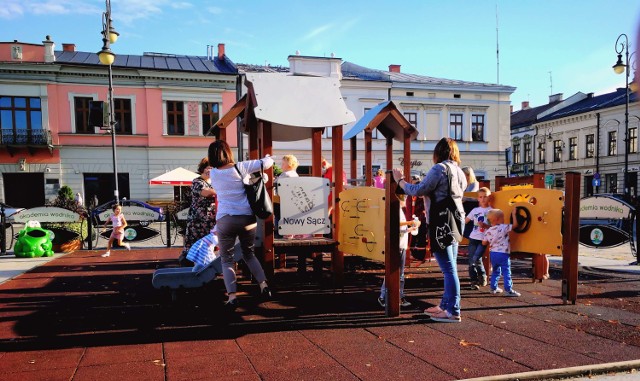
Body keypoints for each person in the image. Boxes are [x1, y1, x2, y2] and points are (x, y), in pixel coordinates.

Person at [393, 137, 466, 323]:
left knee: (449, 269)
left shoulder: (439, 169)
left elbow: (418, 190)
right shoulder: (460, 171)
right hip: (456, 222)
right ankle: (445, 305)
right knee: (451, 267)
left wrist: (400, 181)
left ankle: (453, 311)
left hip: (440, 222)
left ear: (438, 152)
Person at [208, 140, 274, 309]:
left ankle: (232, 297)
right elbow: (267, 163)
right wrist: (267, 157)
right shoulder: (240, 167)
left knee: (227, 260)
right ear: (228, 152)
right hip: (246, 218)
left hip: (225, 220)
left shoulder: (213, 173)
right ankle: (263, 286)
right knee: (249, 254)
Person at [377, 193, 420, 309]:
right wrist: (410, 223)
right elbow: (393, 224)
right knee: (394, 272)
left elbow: (400, 229)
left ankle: (398, 296)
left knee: (399, 273)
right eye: (404, 197)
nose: (405, 199)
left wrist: (411, 228)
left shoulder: (399, 210)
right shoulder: (394, 209)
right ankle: (386, 296)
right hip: (396, 245)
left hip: (400, 245)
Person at [178, 157, 217, 267]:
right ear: (203, 169)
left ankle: (205, 266)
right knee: (195, 243)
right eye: (209, 168)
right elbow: (206, 193)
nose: (211, 171)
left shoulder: (213, 182)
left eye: (213, 168)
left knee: (207, 244)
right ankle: (188, 265)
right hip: (197, 220)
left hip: (209, 220)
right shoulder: (197, 182)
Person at [482, 208, 521, 297]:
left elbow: (483, 243)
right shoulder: (503, 227)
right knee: (506, 272)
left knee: (496, 271)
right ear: (497, 219)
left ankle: (493, 288)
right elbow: (515, 225)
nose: (504, 219)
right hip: (503, 254)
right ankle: (508, 290)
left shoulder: (488, 231)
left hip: (493, 254)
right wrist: (514, 214)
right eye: (502, 218)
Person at [464, 187, 492, 290]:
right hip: (473, 238)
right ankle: (474, 281)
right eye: (481, 197)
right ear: (478, 199)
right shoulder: (475, 210)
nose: (483, 199)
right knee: (472, 259)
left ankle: (482, 275)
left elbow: (495, 226)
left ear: (489, 198)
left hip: (484, 239)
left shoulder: (492, 211)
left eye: (485, 196)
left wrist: (486, 226)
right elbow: (465, 221)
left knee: (476, 258)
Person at [276, 155, 299, 239]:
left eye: (283, 163)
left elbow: (276, 184)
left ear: (289, 165)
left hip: (283, 201)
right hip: (292, 201)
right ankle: (290, 235)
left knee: (281, 219)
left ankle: (284, 236)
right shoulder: (295, 174)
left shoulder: (285, 174)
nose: (281, 166)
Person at [406, 175, 428, 262]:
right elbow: (410, 209)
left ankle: (420, 255)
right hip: (415, 219)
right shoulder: (412, 196)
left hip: (420, 219)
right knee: (413, 237)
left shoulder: (422, 196)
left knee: (420, 237)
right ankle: (416, 254)